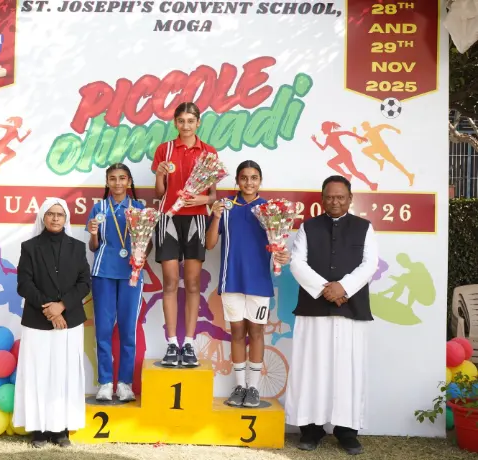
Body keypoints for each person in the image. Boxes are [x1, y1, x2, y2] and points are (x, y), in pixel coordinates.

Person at [285, 175, 378, 456]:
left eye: (340, 197)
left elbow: (370, 264)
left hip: (351, 308)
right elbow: (297, 263)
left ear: (350, 199)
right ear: (322, 199)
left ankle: (346, 431)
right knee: (312, 369)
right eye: (330, 197)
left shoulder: (364, 227)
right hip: (313, 308)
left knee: (348, 371)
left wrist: (343, 287)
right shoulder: (308, 227)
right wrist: (324, 289)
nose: (335, 202)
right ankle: (311, 430)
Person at [205, 160, 289, 407]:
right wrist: (215, 216)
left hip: (259, 282)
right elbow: (209, 244)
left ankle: (254, 388)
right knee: (238, 333)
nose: (249, 182)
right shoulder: (226, 207)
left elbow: (278, 246)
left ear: (260, 180)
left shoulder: (270, 210)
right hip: (231, 280)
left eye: (254, 178)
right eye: (244, 177)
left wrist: (282, 255)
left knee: (257, 332)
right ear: (237, 181)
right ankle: (240, 386)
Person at [13, 198, 91, 448]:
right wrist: (50, 310)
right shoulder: (30, 247)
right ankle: (38, 430)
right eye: (50, 214)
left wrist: (62, 306)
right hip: (37, 321)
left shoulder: (77, 247)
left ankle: (61, 430)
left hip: (70, 321)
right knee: (38, 375)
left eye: (60, 214)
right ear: (43, 217)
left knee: (64, 374)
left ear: (66, 218)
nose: (55, 218)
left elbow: (84, 283)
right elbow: (24, 284)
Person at [151, 101, 217, 367]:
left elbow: (212, 195)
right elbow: (159, 193)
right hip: (168, 219)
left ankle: (188, 343)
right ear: (175, 123)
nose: (186, 126)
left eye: (191, 121)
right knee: (169, 282)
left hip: (196, 219)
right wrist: (159, 174)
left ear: (198, 122)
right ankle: (171, 343)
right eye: (181, 121)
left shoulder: (209, 152)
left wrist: (201, 199)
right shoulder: (164, 150)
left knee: (192, 284)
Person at [86, 163, 147, 402]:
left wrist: (141, 251)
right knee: (103, 329)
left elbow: (147, 244)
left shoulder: (139, 209)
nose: (118, 182)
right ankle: (104, 382)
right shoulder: (99, 208)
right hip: (103, 272)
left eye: (122, 178)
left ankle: (124, 383)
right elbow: (94, 247)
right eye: (113, 178)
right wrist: (93, 233)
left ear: (129, 181)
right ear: (107, 182)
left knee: (127, 330)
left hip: (131, 274)